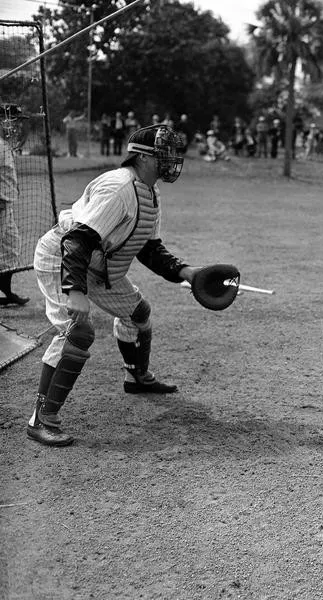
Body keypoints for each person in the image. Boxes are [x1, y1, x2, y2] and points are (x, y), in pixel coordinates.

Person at [26, 124, 206, 447]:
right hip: (62, 258)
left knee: (138, 313)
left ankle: (136, 375)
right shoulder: (119, 188)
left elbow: (149, 249)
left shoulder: (149, 192)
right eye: (164, 153)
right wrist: (76, 292)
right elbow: (77, 240)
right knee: (77, 331)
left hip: (96, 265)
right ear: (142, 157)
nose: (171, 158)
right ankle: (41, 418)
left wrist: (186, 272)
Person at [0, 127, 29, 306]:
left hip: (6, 204)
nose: (16, 129)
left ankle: (5, 291)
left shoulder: (5, 146)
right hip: (0, 203)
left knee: (11, 246)